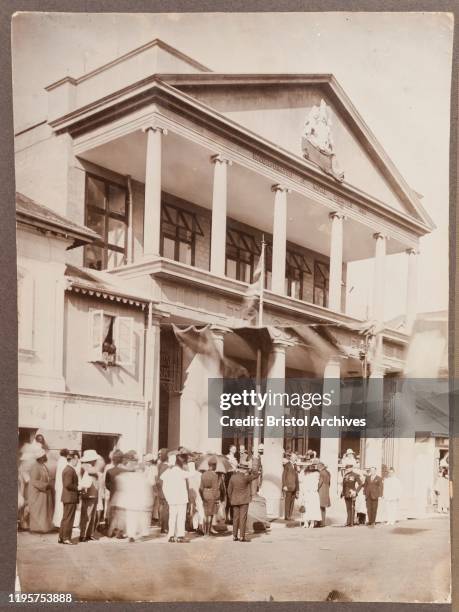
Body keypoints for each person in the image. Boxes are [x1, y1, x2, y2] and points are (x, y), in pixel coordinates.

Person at [160, 455, 190, 543]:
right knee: (181, 517)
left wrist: (167, 497)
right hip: (181, 498)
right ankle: (180, 536)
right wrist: (191, 463)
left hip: (172, 499)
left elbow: (164, 486)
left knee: (172, 517)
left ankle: (171, 536)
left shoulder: (168, 472)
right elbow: (192, 474)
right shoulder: (181, 472)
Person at [227, 463, 259, 542]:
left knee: (235, 518)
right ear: (244, 469)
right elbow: (256, 475)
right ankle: (241, 536)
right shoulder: (246, 477)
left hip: (234, 500)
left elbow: (229, 490)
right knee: (243, 518)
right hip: (244, 500)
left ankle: (234, 536)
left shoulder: (233, 477)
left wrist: (232, 498)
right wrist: (252, 470)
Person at [28, 449, 54, 533]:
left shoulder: (43, 466)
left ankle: (43, 528)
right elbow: (34, 481)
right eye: (44, 456)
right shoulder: (35, 467)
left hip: (43, 492)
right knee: (38, 511)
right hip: (37, 493)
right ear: (40, 458)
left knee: (44, 511)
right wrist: (46, 485)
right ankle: (36, 528)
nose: (45, 457)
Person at [58, 451, 80, 545]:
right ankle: (66, 538)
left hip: (68, 497)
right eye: (77, 460)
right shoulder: (69, 470)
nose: (77, 462)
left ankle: (61, 537)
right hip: (70, 497)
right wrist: (78, 488)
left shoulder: (68, 469)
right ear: (73, 459)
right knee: (69, 518)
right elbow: (67, 484)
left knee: (65, 518)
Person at [79, 449, 100, 542]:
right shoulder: (87, 467)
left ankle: (89, 534)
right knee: (87, 515)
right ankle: (83, 534)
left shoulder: (89, 467)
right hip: (89, 494)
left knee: (91, 515)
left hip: (93, 493)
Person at [199, 456, 223, 536]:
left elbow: (200, 488)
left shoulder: (203, 474)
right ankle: (208, 533)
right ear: (213, 466)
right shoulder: (214, 475)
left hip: (205, 494)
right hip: (212, 495)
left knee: (206, 514)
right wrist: (217, 498)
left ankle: (205, 532)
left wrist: (202, 496)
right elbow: (215, 488)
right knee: (211, 514)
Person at [105, 449, 125, 537]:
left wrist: (113, 489)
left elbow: (107, 485)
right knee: (121, 514)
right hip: (122, 496)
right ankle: (119, 533)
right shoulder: (125, 471)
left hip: (113, 494)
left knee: (112, 513)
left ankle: (111, 532)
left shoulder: (109, 471)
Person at [298, 464, 322, 528]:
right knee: (307, 508)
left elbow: (315, 485)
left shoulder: (315, 476)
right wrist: (303, 493)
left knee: (311, 508)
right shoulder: (307, 477)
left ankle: (311, 523)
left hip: (312, 494)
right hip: (308, 494)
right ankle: (307, 523)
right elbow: (303, 485)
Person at [53, 448, 69, 528]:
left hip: (58, 485)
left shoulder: (59, 461)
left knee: (58, 503)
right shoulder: (64, 462)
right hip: (62, 485)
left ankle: (57, 522)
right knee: (61, 504)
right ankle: (60, 522)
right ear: (67, 454)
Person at [156, 448, 170, 534]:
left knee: (161, 507)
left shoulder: (159, 465)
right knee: (166, 508)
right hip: (165, 489)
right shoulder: (167, 467)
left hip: (160, 488)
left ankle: (162, 525)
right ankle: (165, 527)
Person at [282, 454, 299, 520]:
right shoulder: (287, 465)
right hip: (288, 486)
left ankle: (290, 515)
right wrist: (284, 485)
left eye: (296, 458)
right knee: (288, 502)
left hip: (294, 487)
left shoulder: (295, 466)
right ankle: (287, 516)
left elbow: (296, 478)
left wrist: (298, 488)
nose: (295, 459)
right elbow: (284, 476)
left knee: (292, 502)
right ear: (291, 458)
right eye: (295, 458)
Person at [317, 462, 331, 527]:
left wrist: (316, 489)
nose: (317, 468)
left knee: (320, 507)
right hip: (326, 490)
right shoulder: (328, 472)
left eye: (318, 466)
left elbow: (320, 482)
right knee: (323, 508)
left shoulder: (321, 473)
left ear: (320, 467)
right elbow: (329, 483)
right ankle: (323, 522)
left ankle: (321, 522)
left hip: (321, 491)